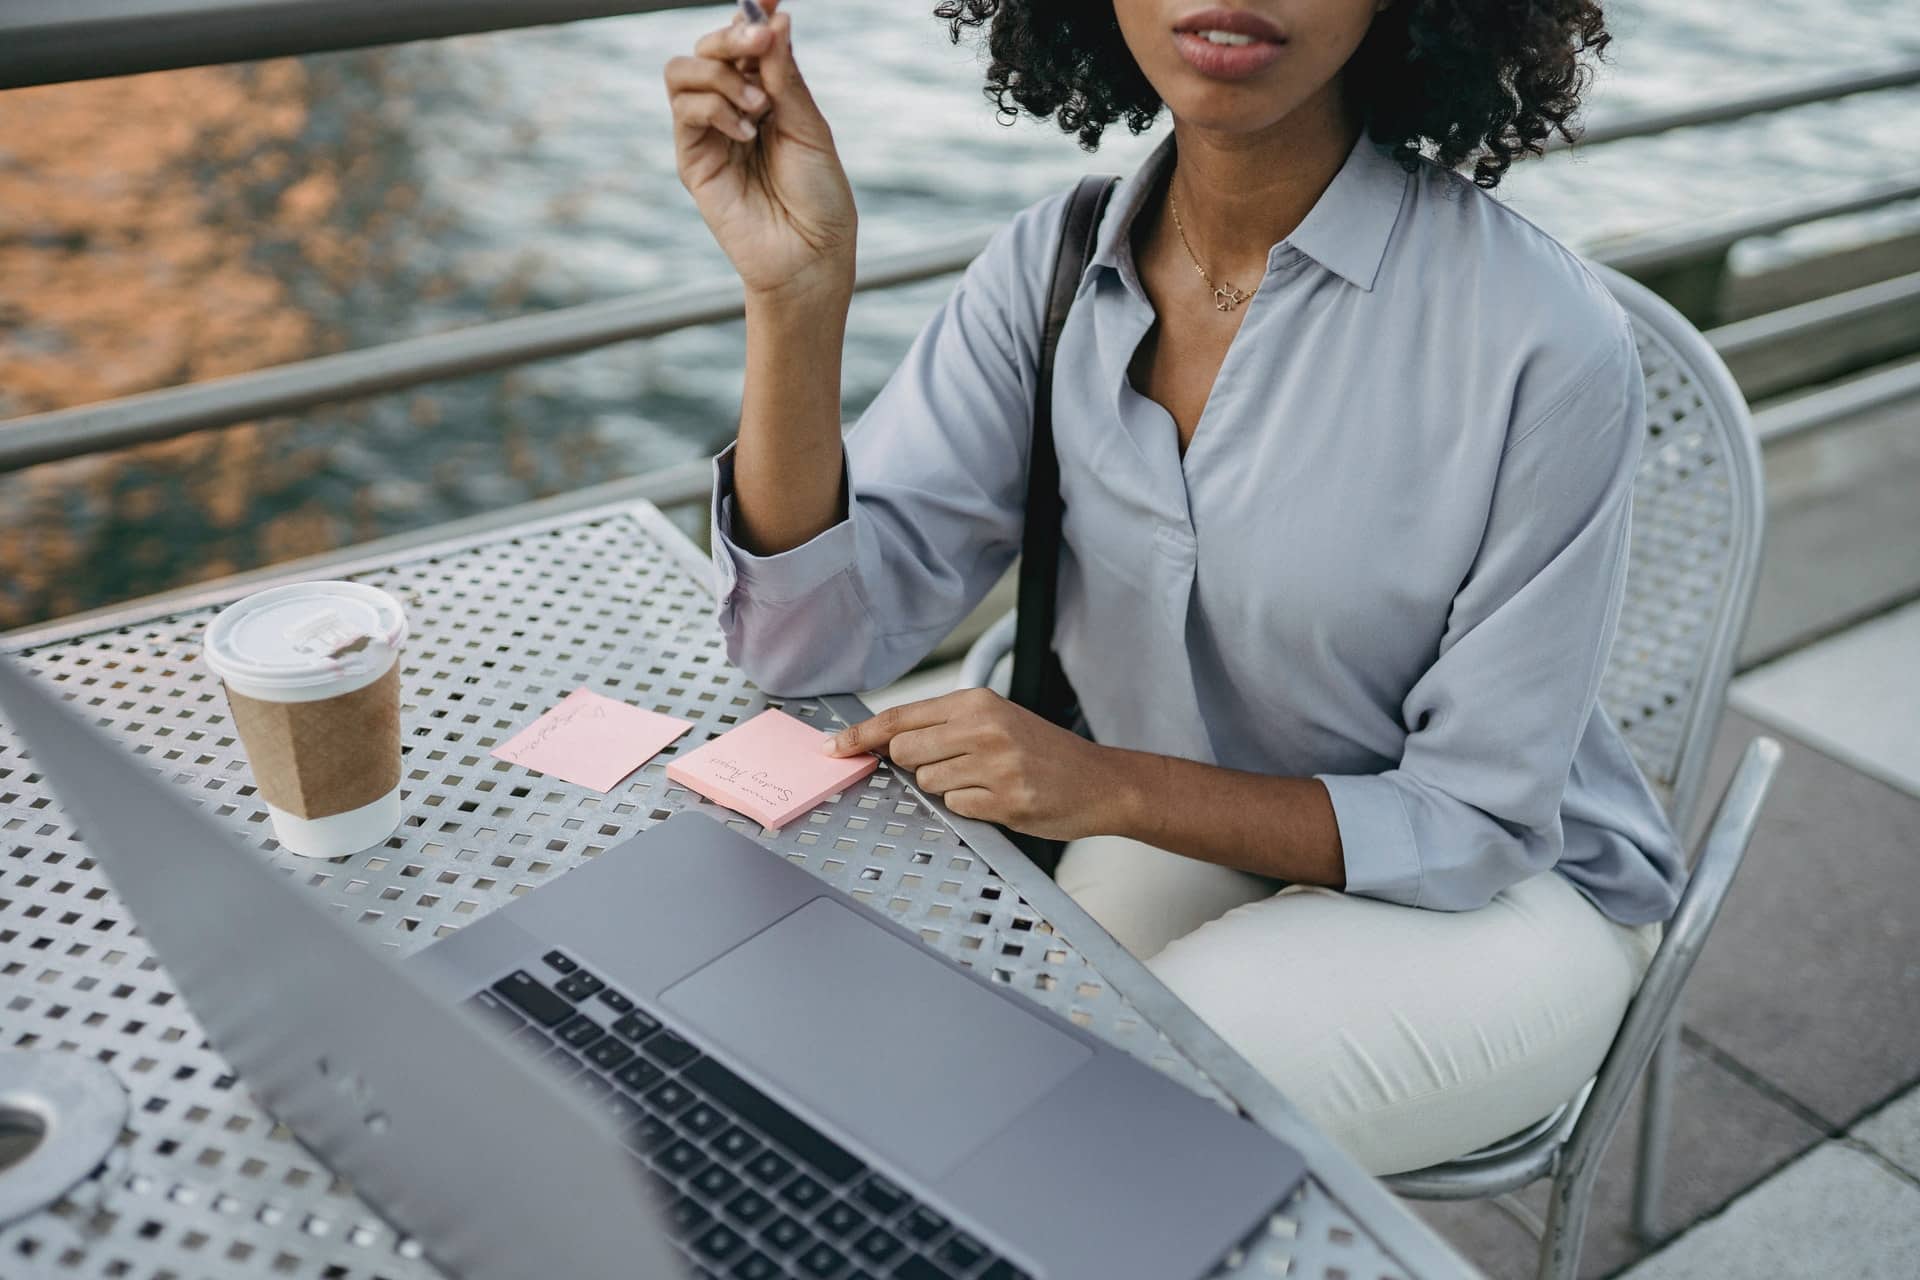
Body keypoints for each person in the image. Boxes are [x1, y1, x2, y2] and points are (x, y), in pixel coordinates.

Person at [664, 0, 1687, 1176]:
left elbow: (1474, 823)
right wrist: (796, 298)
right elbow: (807, 646)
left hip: (1508, 895)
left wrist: (1100, 780)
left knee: (1095, 1122)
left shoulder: (1544, 341)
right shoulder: (1049, 273)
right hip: (1189, 821)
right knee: (960, 1070)